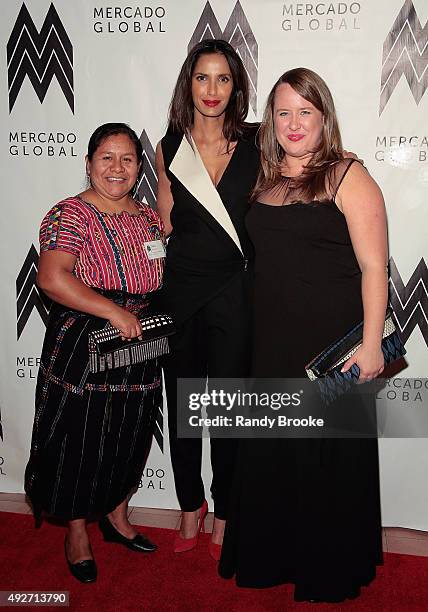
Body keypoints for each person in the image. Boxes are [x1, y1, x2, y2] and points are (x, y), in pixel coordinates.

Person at [219, 68, 388, 603]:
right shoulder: (263, 180)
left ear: (324, 118)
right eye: (283, 112)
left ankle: (328, 567)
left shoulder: (347, 176)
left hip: (331, 348)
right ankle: (273, 557)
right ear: (271, 120)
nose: (294, 123)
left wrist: (369, 346)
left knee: (327, 457)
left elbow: (375, 267)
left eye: (305, 112)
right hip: (271, 342)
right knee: (274, 453)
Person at [25, 123, 165, 583]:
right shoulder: (69, 215)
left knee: (133, 431)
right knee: (79, 438)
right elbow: (51, 278)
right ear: (88, 164)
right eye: (107, 157)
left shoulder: (148, 218)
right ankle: (78, 531)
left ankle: (118, 514)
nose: (117, 168)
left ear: (139, 167)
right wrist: (112, 312)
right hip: (86, 340)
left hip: (140, 341)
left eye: (127, 159)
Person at [155, 39, 260, 559]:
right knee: (185, 407)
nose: (212, 90)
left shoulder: (259, 141)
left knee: (228, 411)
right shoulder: (170, 147)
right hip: (181, 293)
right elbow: (165, 224)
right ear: (188, 84)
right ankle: (188, 502)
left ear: (236, 85)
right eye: (203, 78)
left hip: (235, 291)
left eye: (223, 78)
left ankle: (227, 507)